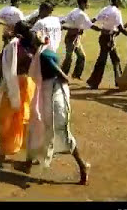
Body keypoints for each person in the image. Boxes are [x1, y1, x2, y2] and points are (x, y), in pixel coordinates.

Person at [17, 32, 89, 185]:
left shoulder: (41, 56)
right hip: (53, 93)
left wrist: (60, 79)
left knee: (50, 130)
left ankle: (82, 166)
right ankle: (29, 163)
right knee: (41, 128)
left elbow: (60, 73)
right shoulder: (47, 50)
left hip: (51, 95)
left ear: (32, 46)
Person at [0, 21, 36, 160]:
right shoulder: (33, 46)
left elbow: (4, 61)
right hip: (29, 83)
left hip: (16, 83)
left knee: (5, 117)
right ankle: (28, 151)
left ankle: (4, 150)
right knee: (22, 116)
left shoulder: (14, 46)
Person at [86, 0, 127, 89]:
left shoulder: (105, 9)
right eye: (120, 0)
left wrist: (86, 24)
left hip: (104, 36)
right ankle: (95, 82)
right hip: (109, 38)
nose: (121, 1)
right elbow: (121, 28)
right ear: (117, 1)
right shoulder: (116, 12)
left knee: (114, 59)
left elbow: (94, 19)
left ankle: (117, 81)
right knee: (104, 60)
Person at [60, 0, 101, 80]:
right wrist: (102, 30)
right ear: (83, 3)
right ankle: (62, 75)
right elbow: (91, 25)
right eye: (87, 3)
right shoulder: (82, 14)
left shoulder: (74, 11)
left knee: (81, 56)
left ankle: (76, 74)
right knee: (69, 58)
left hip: (74, 37)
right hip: (72, 38)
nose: (88, 5)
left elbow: (66, 20)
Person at [0, 0, 25, 86]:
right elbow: (23, 23)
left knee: (5, 53)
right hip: (15, 35)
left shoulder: (4, 9)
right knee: (14, 55)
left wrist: (5, 24)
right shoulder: (18, 11)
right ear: (17, 2)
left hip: (6, 34)